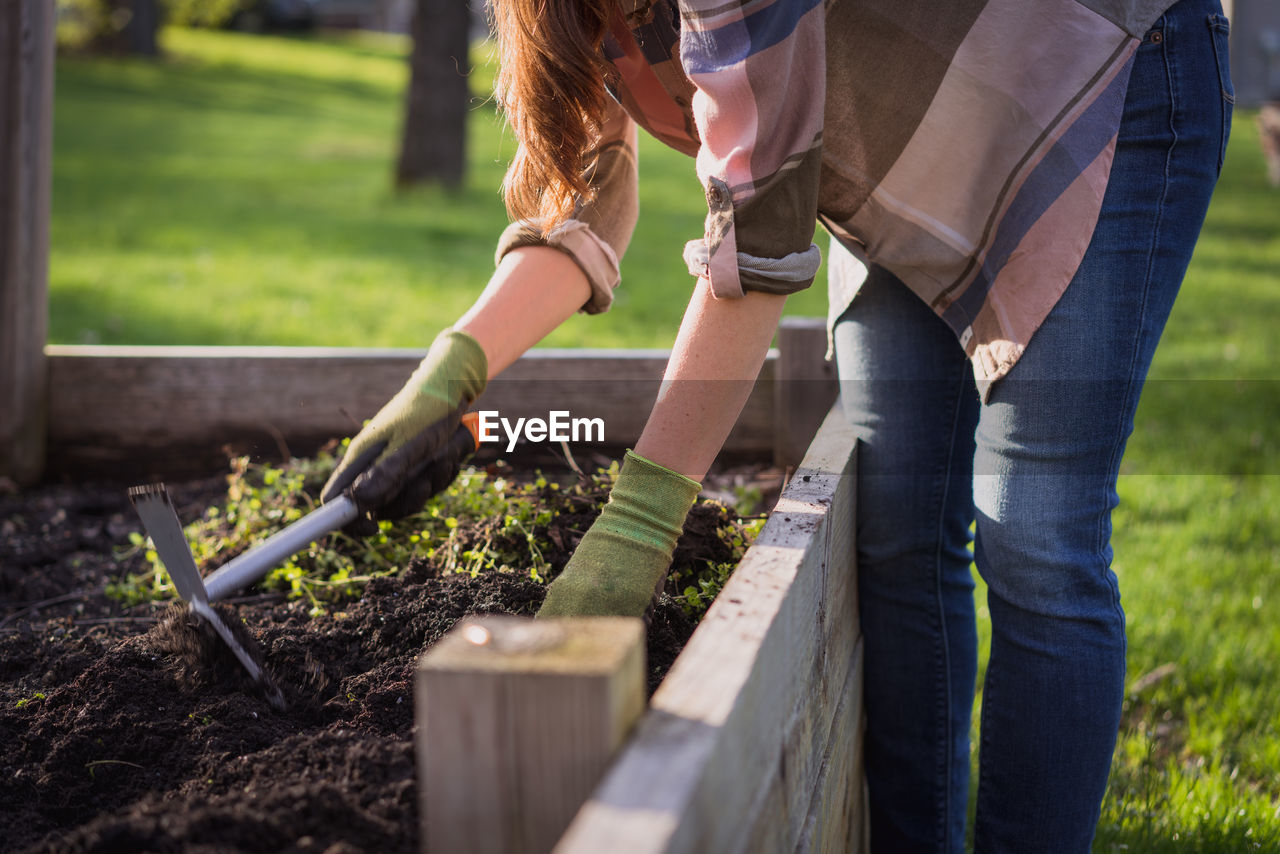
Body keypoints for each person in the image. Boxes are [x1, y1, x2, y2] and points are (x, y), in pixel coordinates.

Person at [320, 0, 1232, 850]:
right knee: (896, 531)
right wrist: (455, 368)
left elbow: (755, 251)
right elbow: (587, 190)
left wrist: (635, 536)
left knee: (1037, 532)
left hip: (1096, 87)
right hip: (893, 162)